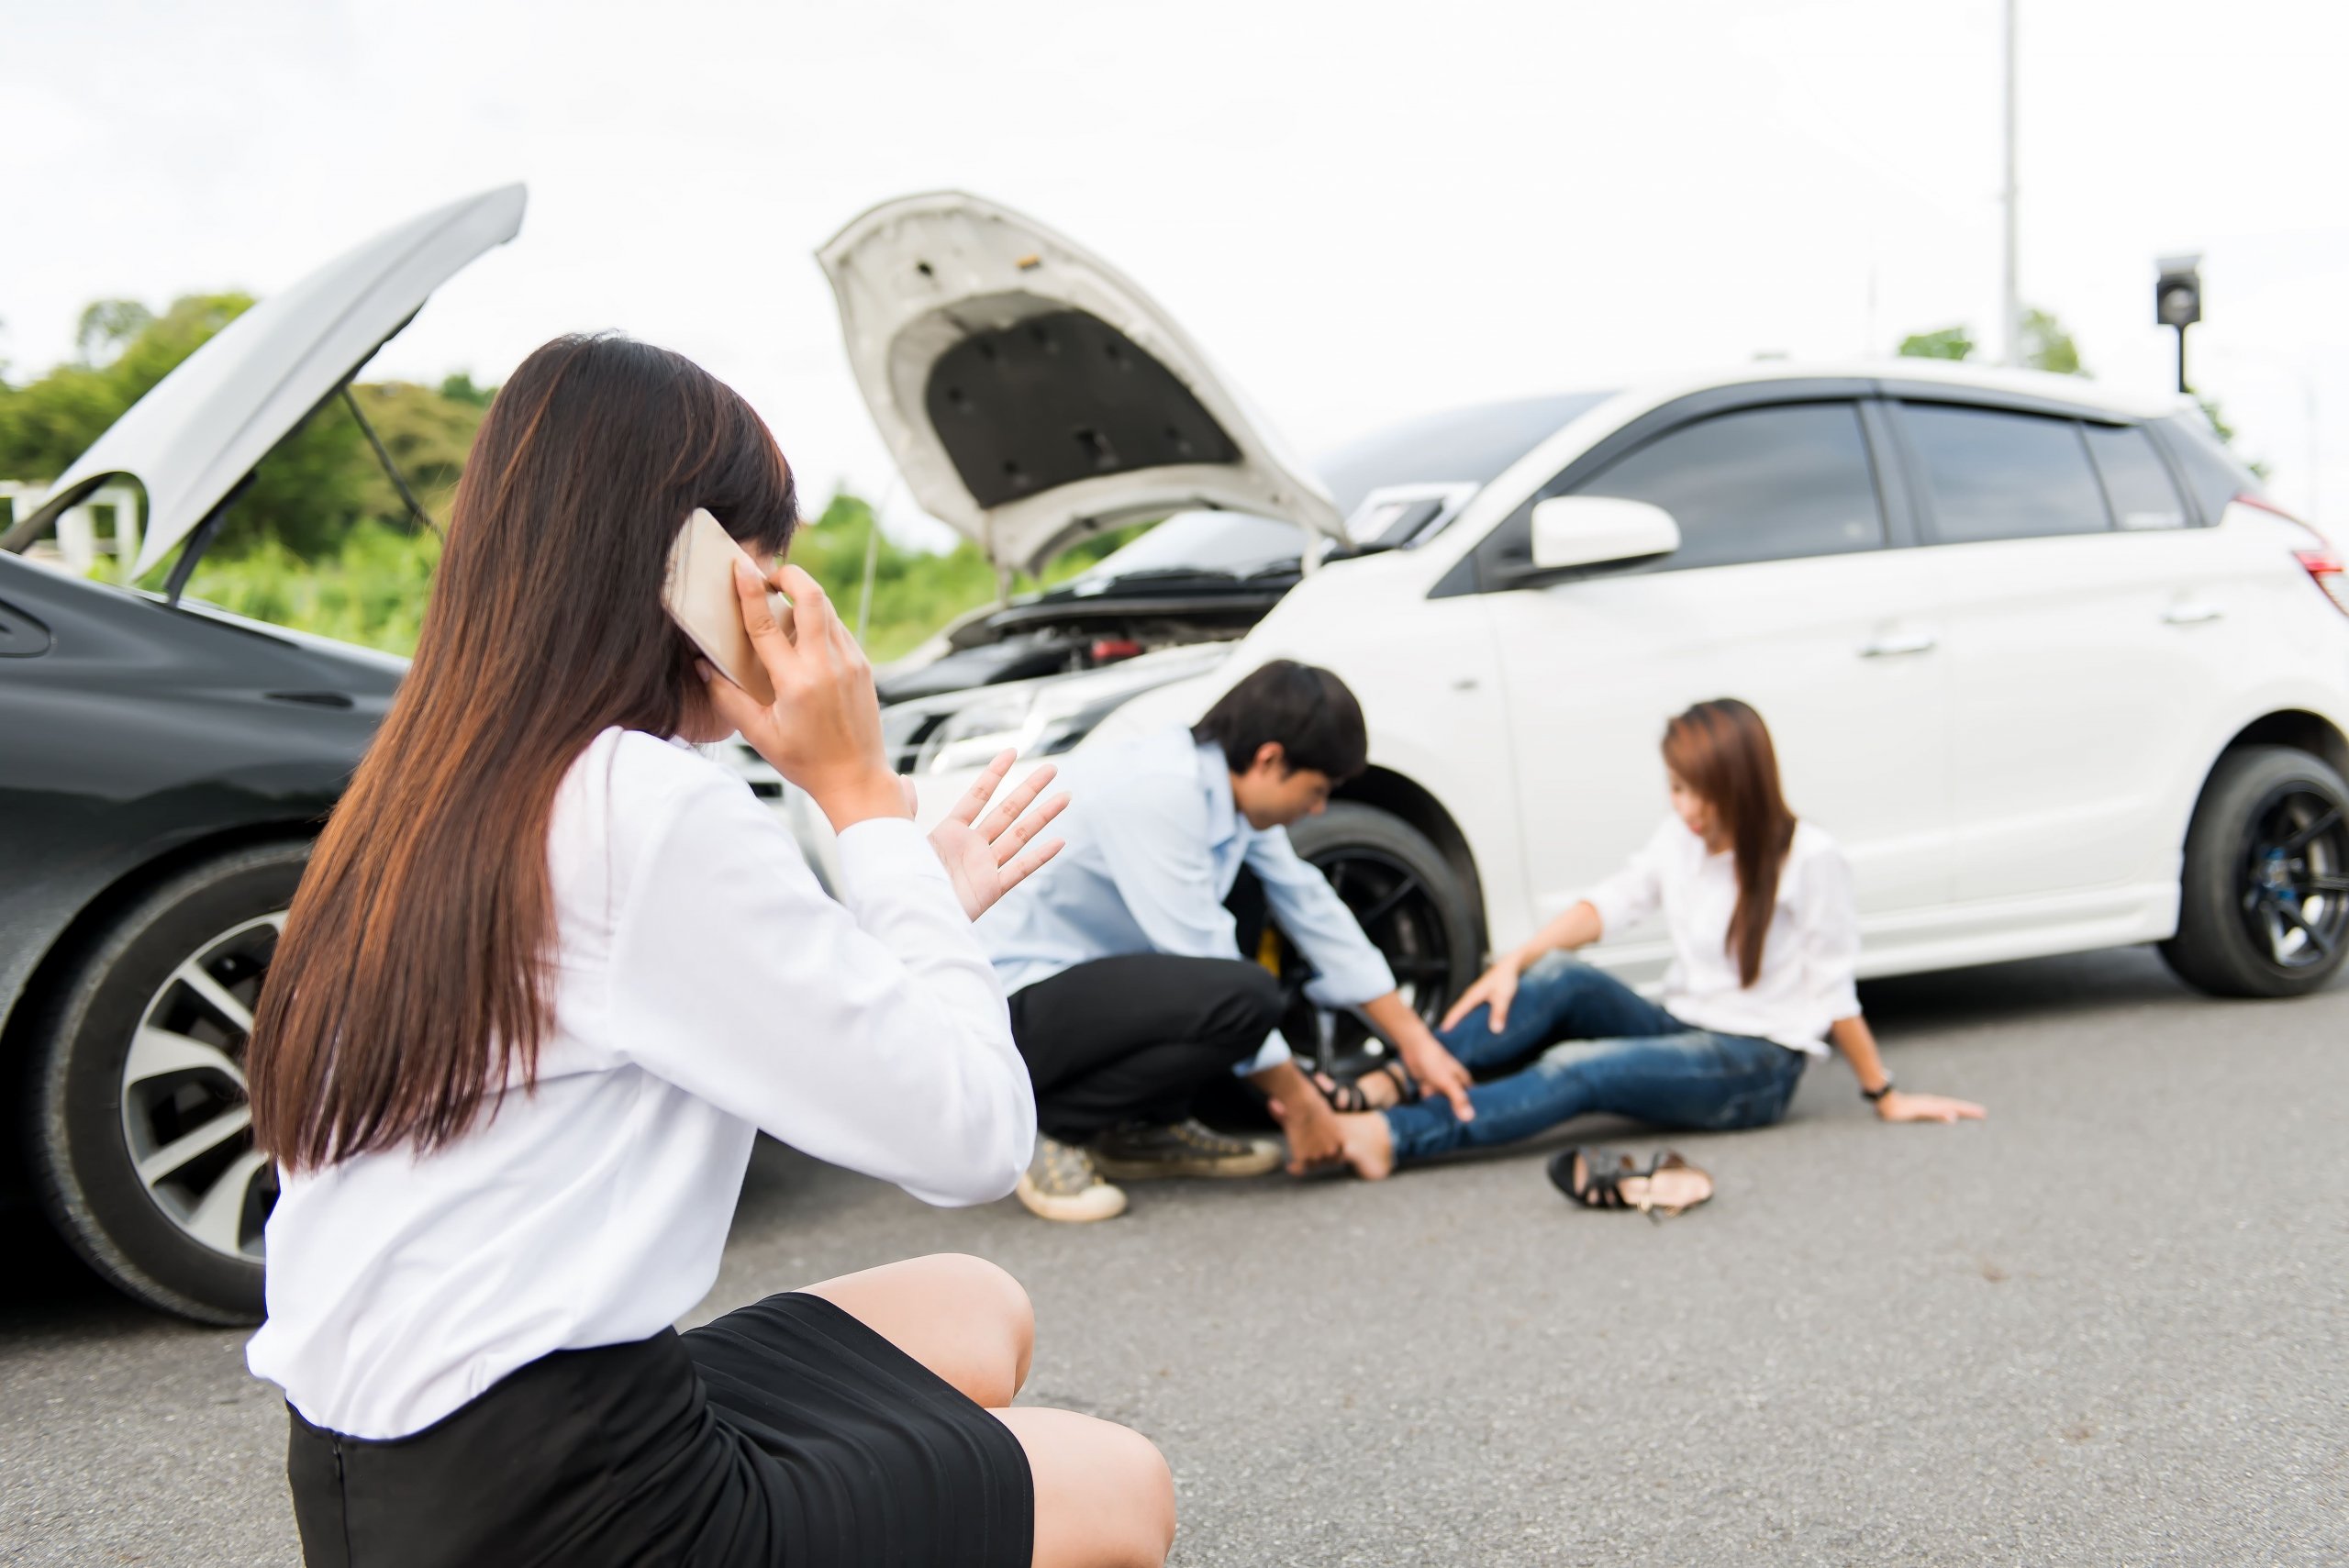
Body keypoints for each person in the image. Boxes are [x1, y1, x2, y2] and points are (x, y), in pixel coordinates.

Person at [243, 335, 1174, 1568]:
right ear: (679, 566)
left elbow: (710, 1003)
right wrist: (862, 798)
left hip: (395, 1471)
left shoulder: (440, 778)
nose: (778, 596)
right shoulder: (641, 800)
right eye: (763, 557)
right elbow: (973, 1142)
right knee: (1121, 1489)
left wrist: (918, 896)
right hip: (561, 1505)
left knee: (977, 1305)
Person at [1330, 698, 1984, 1203]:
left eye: (1703, 791)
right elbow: (1609, 904)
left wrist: (1885, 1093)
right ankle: (1397, 1080)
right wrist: (1511, 963)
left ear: (1745, 785)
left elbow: (1834, 990)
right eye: (1677, 787)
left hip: (1755, 1064)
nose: (1689, 807)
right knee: (1559, 976)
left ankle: (1395, 1134)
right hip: (1687, 1025)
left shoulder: (1810, 859)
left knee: (1576, 1067)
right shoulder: (1684, 837)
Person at [979, 660, 1475, 1222]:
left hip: (1079, 989)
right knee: (1246, 996)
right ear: (1270, 759)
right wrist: (1305, 1107)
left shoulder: (1225, 794)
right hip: (1007, 1010)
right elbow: (1204, 962)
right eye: (1318, 790)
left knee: (1250, 902)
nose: (1318, 809)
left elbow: (1311, 905)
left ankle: (1146, 1128)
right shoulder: (1159, 793)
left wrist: (1415, 1042)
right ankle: (1049, 1126)